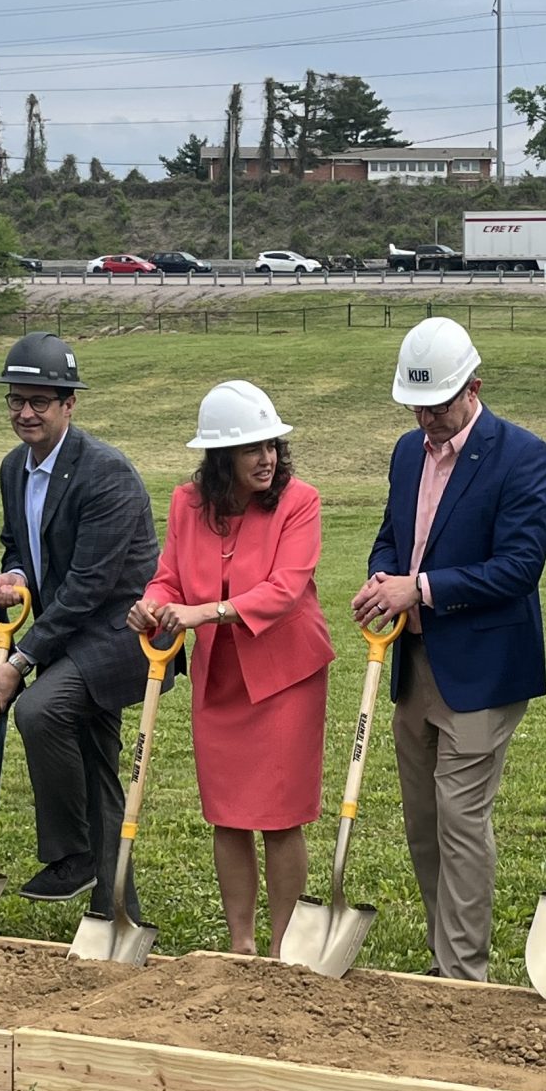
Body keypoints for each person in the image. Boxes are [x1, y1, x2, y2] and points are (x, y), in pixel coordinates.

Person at [352, 316, 546, 983]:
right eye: (416, 405)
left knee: (461, 817)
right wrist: (384, 580)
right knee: (423, 821)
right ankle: (447, 956)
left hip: (485, 668)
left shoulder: (522, 455)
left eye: (437, 404)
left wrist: (423, 589)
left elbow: (519, 567)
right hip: (415, 664)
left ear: (474, 386)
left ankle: (463, 978)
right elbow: (392, 535)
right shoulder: (407, 452)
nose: (425, 418)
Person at [129, 381, 334, 955]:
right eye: (251, 449)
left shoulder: (301, 502)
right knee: (229, 814)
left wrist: (203, 612)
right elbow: (169, 575)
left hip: (285, 677)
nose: (266, 458)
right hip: (219, 679)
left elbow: (285, 590)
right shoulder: (185, 503)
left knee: (280, 815)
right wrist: (152, 603)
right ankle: (241, 944)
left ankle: (282, 946)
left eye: (270, 445)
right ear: (220, 459)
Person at [0, 332, 162, 923]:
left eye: (40, 401)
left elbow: (88, 587)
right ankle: (119, 910)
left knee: (38, 711)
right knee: (96, 770)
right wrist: (13, 575)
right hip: (69, 633)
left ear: (69, 404)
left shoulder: (106, 475)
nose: (26, 413)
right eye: (17, 401)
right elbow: (21, 545)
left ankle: (73, 855)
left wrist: (20, 660)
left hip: (121, 637)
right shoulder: (15, 469)